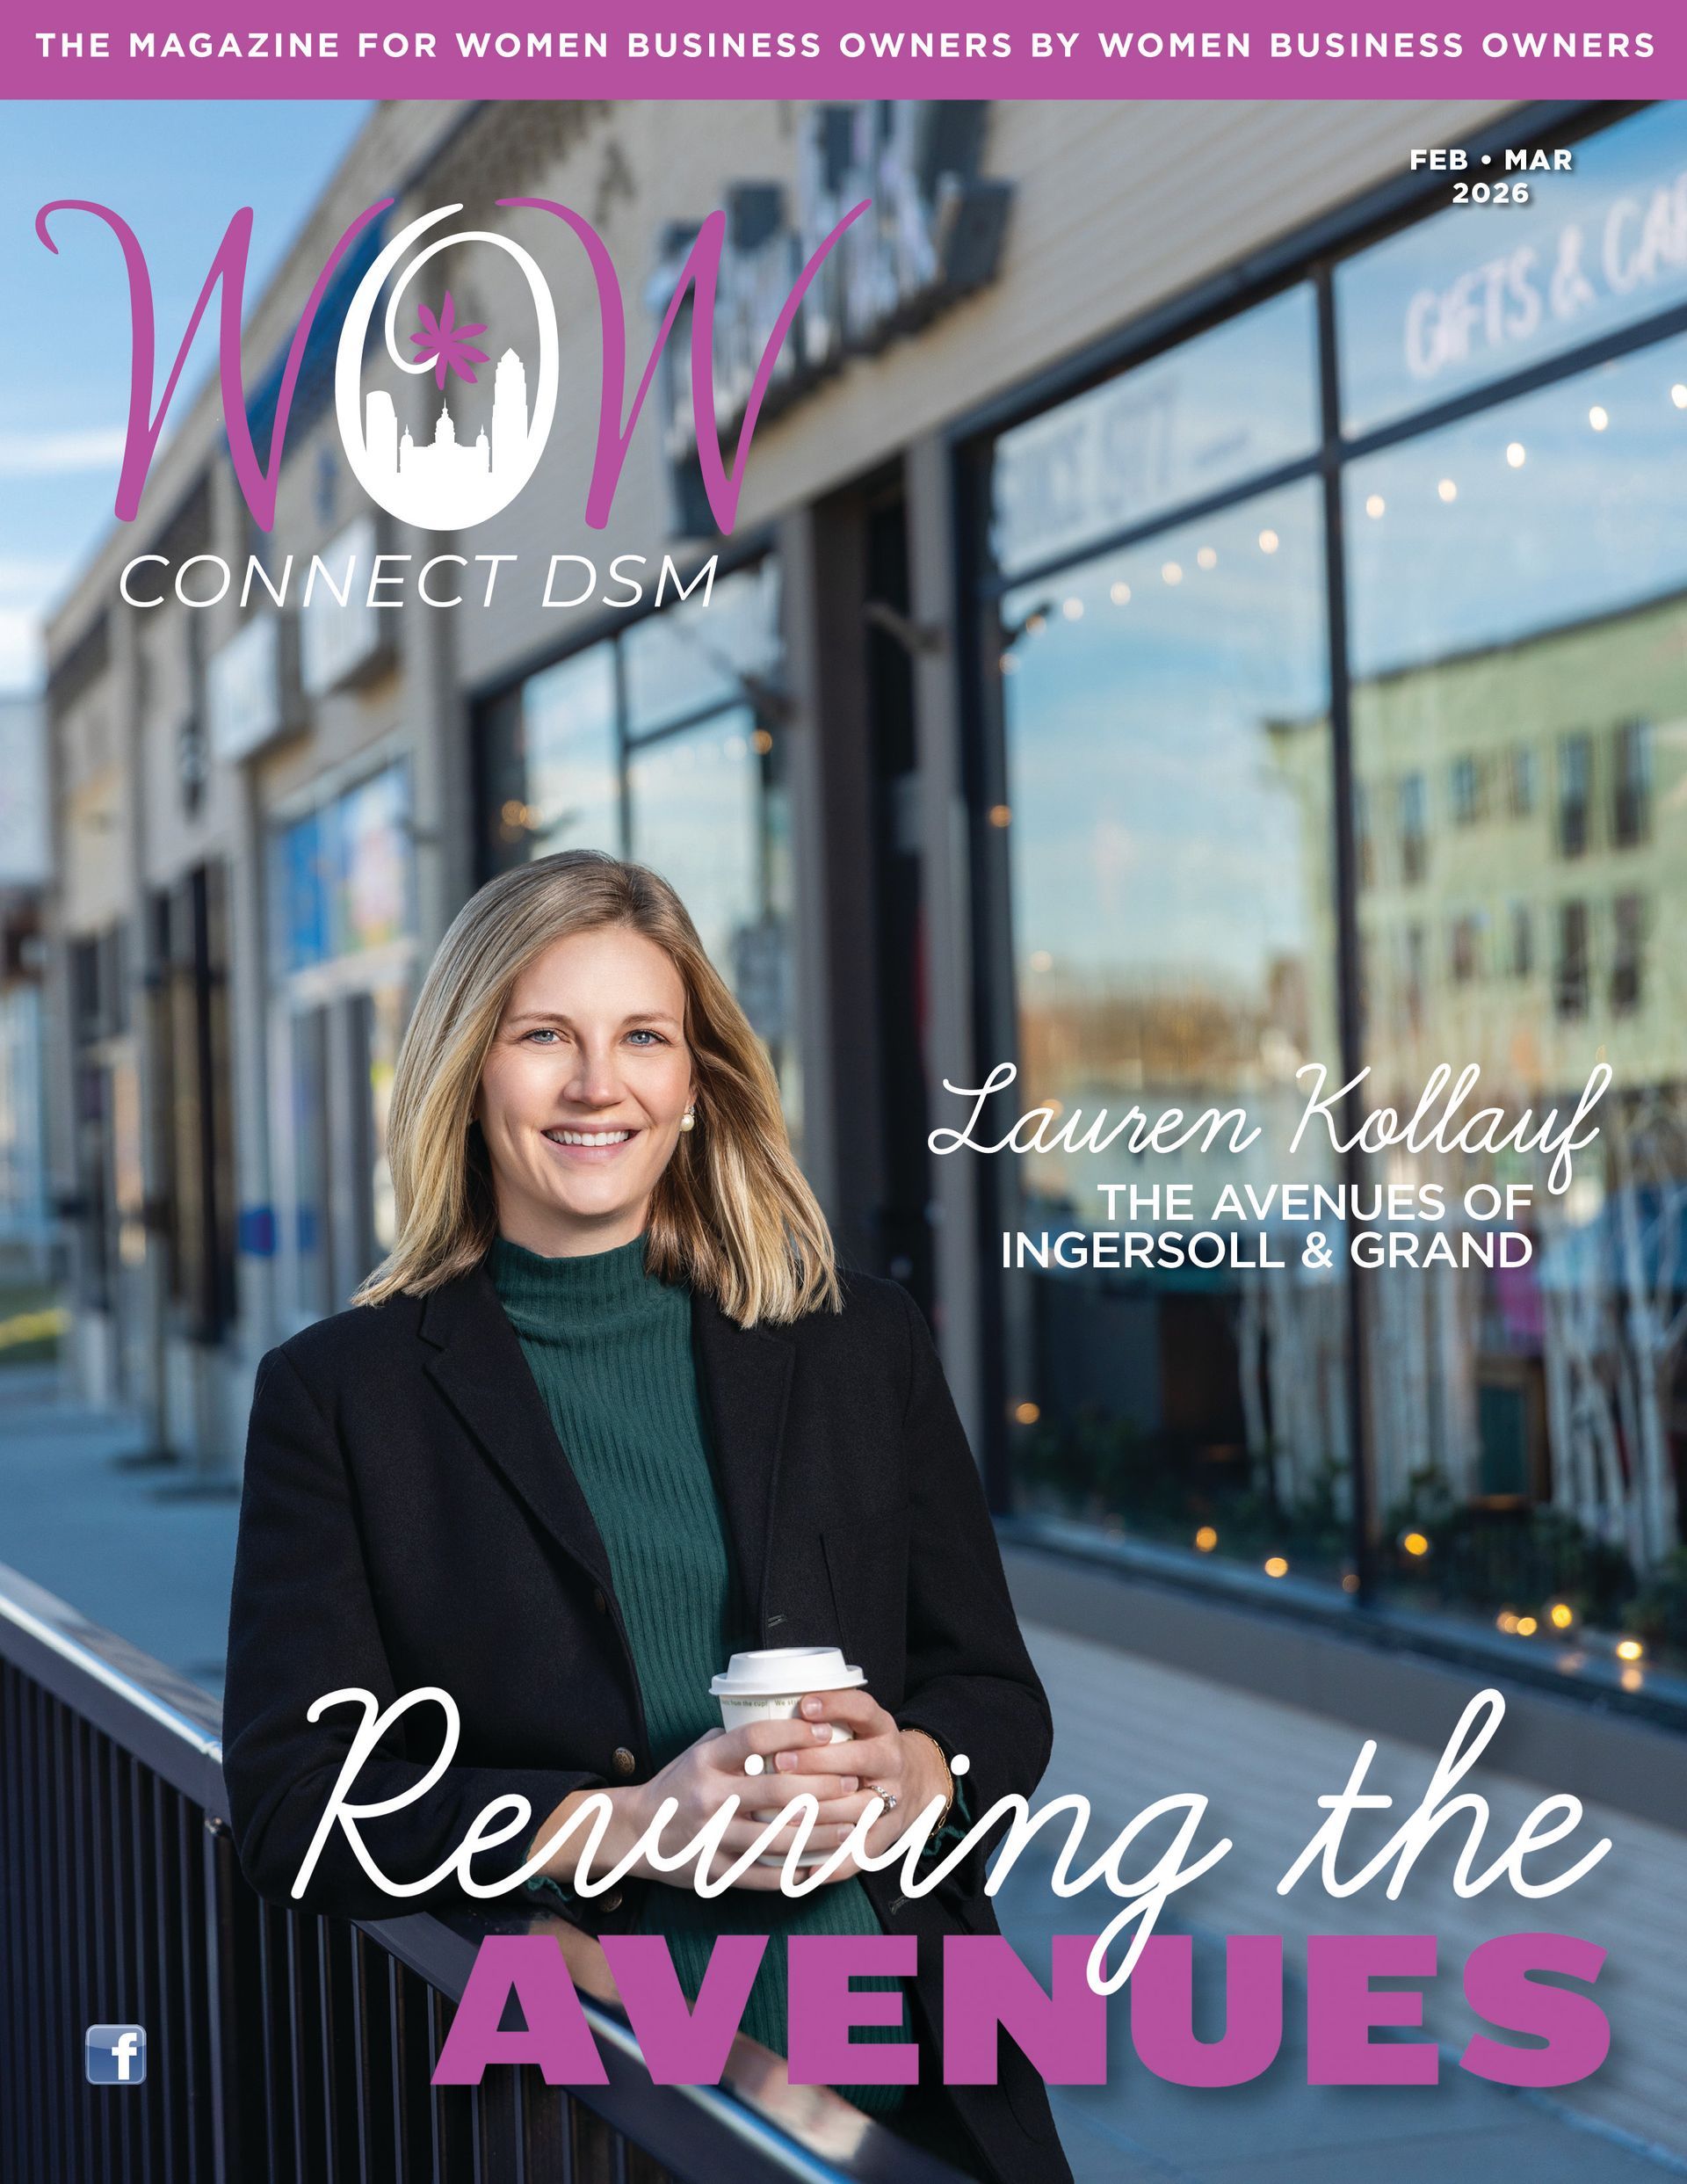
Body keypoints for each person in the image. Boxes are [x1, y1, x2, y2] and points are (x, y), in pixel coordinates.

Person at [223, 849, 1069, 2184]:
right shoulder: (343, 1394)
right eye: (543, 1034)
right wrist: (619, 1821)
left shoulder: (856, 1340)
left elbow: (997, 1695)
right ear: (469, 1069)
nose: (594, 1083)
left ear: (696, 1082)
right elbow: (295, 1804)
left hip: (902, 2080)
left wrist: (911, 1769)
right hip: (592, 2099)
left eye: (643, 1037)